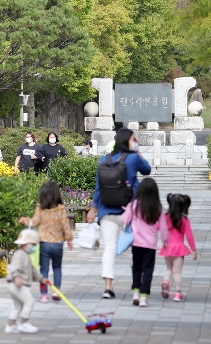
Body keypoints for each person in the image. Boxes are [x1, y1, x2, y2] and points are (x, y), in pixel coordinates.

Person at [86, 128, 151, 299]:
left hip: (107, 209)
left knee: (109, 247)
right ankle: (138, 287)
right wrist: (137, 151)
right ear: (128, 141)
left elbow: (98, 188)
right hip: (132, 209)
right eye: (134, 138)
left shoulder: (103, 159)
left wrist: (93, 209)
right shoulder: (133, 158)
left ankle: (108, 287)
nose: (135, 140)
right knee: (138, 248)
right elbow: (147, 170)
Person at [18, 182, 73, 303]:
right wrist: (69, 239)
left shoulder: (41, 208)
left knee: (44, 270)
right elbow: (65, 225)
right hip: (58, 243)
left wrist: (24, 220)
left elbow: (34, 222)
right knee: (57, 267)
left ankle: (44, 295)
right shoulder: (61, 209)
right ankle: (56, 291)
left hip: (44, 243)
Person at [120, 178, 169, 307]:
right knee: (148, 270)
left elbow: (124, 219)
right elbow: (163, 226)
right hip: (150, 245)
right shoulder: (158, 207)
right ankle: (143, 297)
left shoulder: (134, 204)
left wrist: (126, 211)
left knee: (136, 267)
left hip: (136, 243)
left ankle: (135, 292)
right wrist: (165, 241)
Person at [5, 229, 50, 334]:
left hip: (14, 285)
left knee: (18, 306)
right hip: (17, 285)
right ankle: (23, 324)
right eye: (33, 244)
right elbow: (14, 267)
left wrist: (41, 279)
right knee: (29, 302)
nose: (34, 247)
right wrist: (17, 277)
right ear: (26, 244)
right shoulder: (19, 254)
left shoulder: (25, 256)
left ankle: (10, 326)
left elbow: (33, 271)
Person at [160, 193, 197, 302]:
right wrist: (193, 249)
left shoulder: (166, 217)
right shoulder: (184, 220)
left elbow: (159, 227)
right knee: (177, 272)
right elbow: (189, 235)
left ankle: (166, 281)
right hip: (179, 248)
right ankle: (177, 293)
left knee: (169, 269)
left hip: (167, 247)